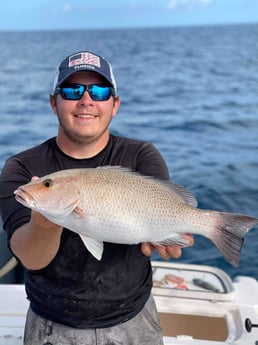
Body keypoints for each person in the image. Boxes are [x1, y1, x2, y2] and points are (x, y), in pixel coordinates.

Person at [0, 51, 194, 345]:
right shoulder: (22, 168)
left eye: (100, 91)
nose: (86, 100)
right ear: (54, 102)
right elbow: (31, 258)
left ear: (115, 105)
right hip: (52, 325)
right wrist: (46, 220)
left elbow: (158, 213)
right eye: (72, 90)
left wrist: (167, 236)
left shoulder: (142, 155)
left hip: (134, 318)